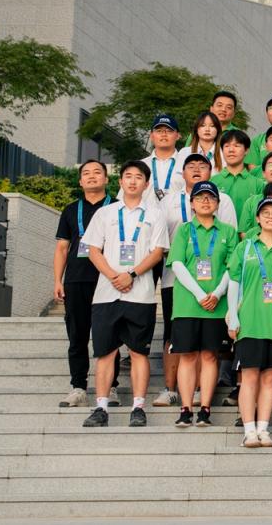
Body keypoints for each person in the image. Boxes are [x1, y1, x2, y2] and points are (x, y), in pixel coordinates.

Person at [80, 160, 169, 428]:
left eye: (138, 177)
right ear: (120, 182)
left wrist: (131, 274)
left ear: (146, 184)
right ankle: (101, 407)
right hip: (106, 295)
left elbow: (157, 252)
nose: (132, 181)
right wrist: (113, 276)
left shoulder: (155, 215)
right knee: (105, 353)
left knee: (139, 352)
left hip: (140, 295)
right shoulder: (105, 213)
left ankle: (138, 407)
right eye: (128, 176)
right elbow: (93, 250)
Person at [226, 197, 272, 447]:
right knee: (249, 377)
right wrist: (233, 316)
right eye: (265, 212)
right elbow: (234, 282)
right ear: (257, 218)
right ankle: (249, 430)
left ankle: (263, 429)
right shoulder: (245, 247)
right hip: (249, 322)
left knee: (270, 378)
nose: (270, 216)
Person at [165, 180, 237, 428]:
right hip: (188, 303)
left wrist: (216, 293)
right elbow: (177, 264)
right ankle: (186, 409)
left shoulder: (227, 231)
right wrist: (199, 294)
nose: (205, 201)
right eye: (200, 197)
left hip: (216, 306)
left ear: (217, 203)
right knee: (187, 356)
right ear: (192, 203)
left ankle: (205, 408)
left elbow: (232, 267)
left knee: (210, 356)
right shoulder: (185, 230)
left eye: (210, 197)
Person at [53, 159, 111, 410]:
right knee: (77, 335)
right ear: (80, 181)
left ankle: (111, 386)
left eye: (97, 172)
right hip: (76, 279)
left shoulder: (116, 207)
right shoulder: (70, 210)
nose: (92, 176)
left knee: (108, 335)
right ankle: (78, 386)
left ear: (106, 179)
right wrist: (58, 280)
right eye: (86, 173)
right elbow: (62, 248)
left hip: (107, 280)